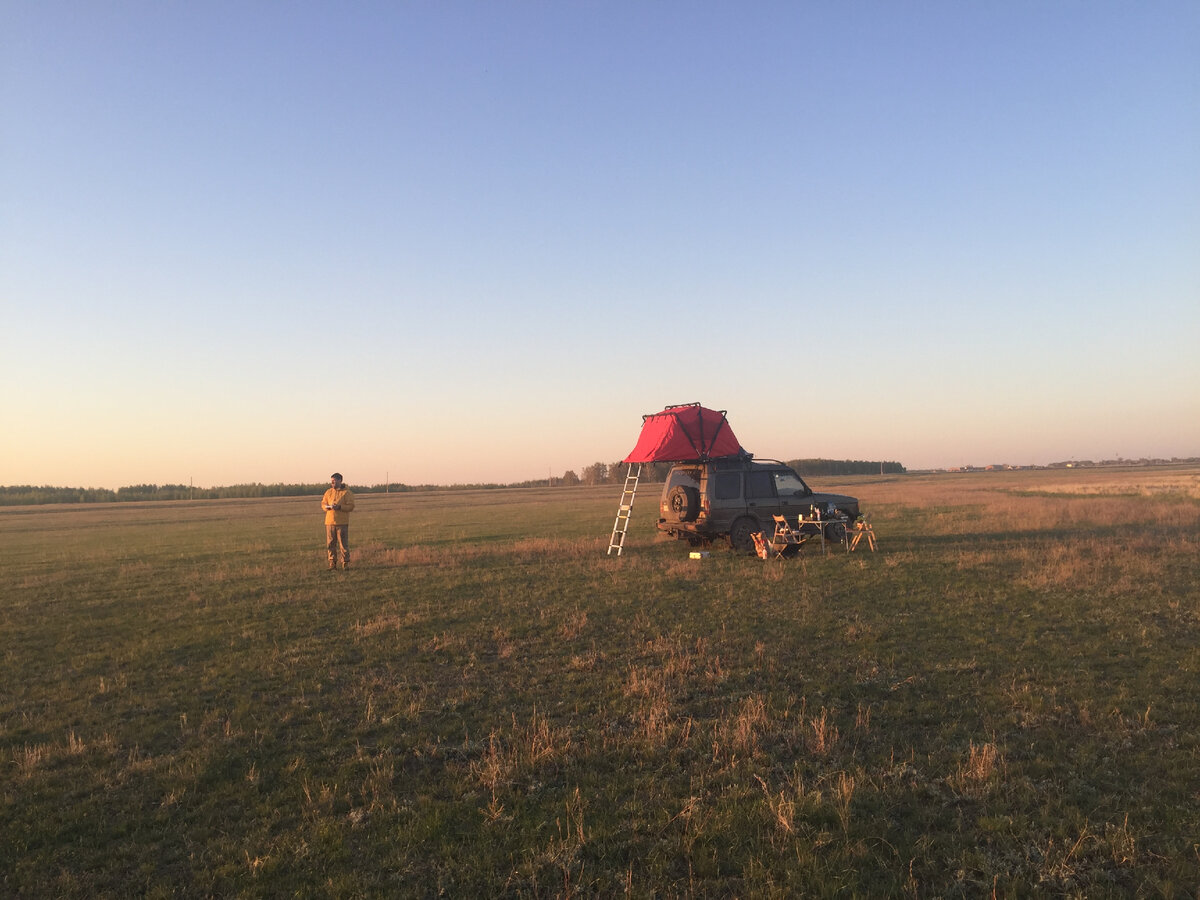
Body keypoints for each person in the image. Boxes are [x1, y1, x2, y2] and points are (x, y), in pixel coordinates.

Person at [321, 472, 355, 569]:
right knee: (330, 544)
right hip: (329, 523)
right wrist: (327, 507)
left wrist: (340, 507)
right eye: (331, 481)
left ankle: (345, 563)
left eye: (334, 481)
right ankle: (332, 563)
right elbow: (323, 503)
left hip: (342, 523)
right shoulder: (328, 492)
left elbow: (351, 506)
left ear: (340, 481)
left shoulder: (346, 493)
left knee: (343, 544)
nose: (332, 483)